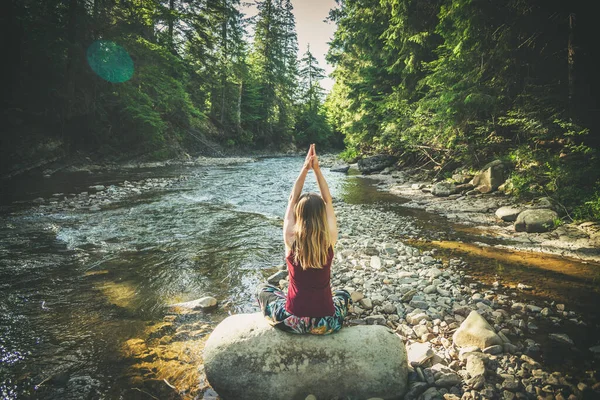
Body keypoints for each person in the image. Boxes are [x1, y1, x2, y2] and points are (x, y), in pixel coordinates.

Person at [257, 144, 351, 335]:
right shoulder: (328, 240)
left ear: (299, 215)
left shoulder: (290, 239)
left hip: (292, 321)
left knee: (264, 290)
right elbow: (328, 201)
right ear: (321, 216)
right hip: (326, 323)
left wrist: (305, 168)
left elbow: (292, 199)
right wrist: (317, 170)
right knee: (343, 295)